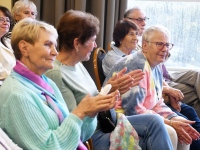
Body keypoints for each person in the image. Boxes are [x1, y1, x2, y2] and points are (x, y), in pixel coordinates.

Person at [45, 9, 174, 150]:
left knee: (155, 122)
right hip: (94, 134)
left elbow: (93, 99)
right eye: (93, 40)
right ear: (77, 44)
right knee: (156, 137)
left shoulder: (77, 64)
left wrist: (110, 89)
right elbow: (75, 128)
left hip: (106, 121)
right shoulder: (57, 74)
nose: (95, 45)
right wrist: (104, 98)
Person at [0, 18, 120, 150]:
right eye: (47, 45)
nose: (55, 52)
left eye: (54, 45)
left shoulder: (45, 83)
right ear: (24, 48)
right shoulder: (17, 95)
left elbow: (79, 136)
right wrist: (80, 112)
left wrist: (90, 112)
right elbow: (48, 147)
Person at [104, 25, 200, 150]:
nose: (165, 49)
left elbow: (156, 102)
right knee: (171, 132)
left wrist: (173, 117)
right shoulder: (136, 65)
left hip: (146, 116)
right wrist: (169, 123)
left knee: (183, 125)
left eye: (167, 45)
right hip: (119, 117)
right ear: (144, 46)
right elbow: (132, 110)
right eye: (160, 44)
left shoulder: (156, 65)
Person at [124, 6, 200, 118]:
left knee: (197, 74)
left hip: (164, 75)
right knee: (192, 97)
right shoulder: (131, 52)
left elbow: (158, 67)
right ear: (127, 21)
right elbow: (135, 101)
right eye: (139, 19)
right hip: (155, 85)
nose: (144, 23)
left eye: (145, 19)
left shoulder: (148, 38)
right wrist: (168, 90)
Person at [0, 6, 15, 86]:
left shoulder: (8, 41)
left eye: (8, 20)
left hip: (12, 83)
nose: (6, 22)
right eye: (1, 19)